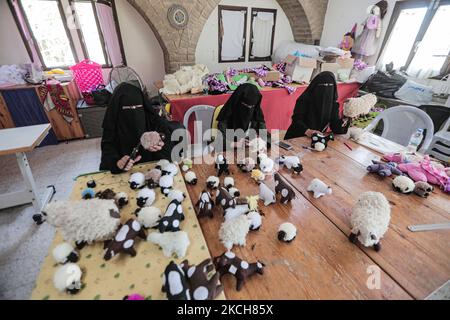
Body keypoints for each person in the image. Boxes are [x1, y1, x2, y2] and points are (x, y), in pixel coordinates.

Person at [100, 82, 182, 174]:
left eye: (137, 107)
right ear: (117, 110)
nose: (134, 113)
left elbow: (169, 149)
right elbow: (108, 151)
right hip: (126, 174)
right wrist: (118, 163)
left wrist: (159, 145)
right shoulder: (112, 126)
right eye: (128, 108)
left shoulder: (152, 120)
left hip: (153, 171)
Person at [284, 71, 350, 140]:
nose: (325, 90)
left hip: (317, 139)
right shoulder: (304, 99)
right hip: (297, 136)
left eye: (330, 86)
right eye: (322, 85)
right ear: (314, 85)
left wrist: (346, 119)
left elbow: (335, 126)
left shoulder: (332, 103)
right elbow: (297, 120)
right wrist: (308, 131)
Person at [216, 83, 271, 150]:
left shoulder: (256, 112)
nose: (249, 109)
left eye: (252, 106)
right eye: (246, 105)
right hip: (230, 151)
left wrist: (261, 141)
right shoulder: (227, 113)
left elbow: (266, 136)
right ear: (237, 101)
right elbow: (219, 142)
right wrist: (236, 144)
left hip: (249, 150)